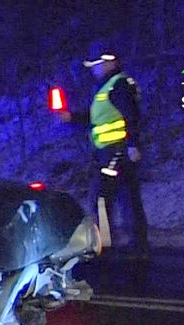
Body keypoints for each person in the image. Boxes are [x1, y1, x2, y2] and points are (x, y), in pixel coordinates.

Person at [59, 51, 150, 260]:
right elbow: (98, 117)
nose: (94, 69)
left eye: (97, 64)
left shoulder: (118, 85)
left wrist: (133, 145)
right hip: (114, 151)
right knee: (127, 197)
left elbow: (131, 116)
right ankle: (136, 245)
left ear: (109, 63)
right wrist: (72, 116)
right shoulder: (110, 85)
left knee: (101, 197)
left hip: (115, 151)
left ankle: (106, 245)